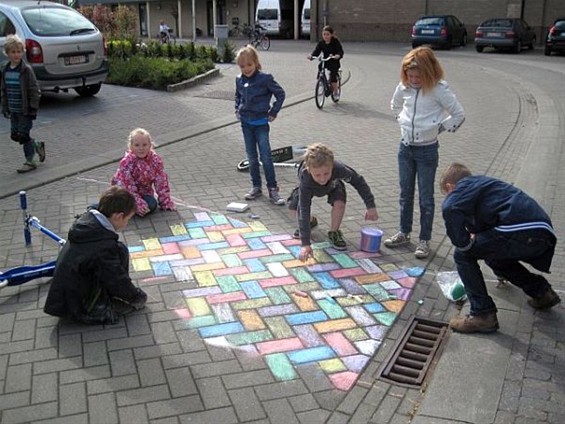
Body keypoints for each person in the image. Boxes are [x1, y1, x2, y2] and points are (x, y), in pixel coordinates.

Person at [440, 163, 561, 334]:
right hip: (542, 233)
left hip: (518, 230)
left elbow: (450, 207)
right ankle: (542, 293)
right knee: (492, 256)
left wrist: (464, 244)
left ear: (449, 186)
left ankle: (482, 315)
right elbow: (488, 231)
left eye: (447, 193)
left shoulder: (462, 187)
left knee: (462, 255)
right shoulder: (484, 185)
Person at [385, 46, 465, 259]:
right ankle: (404, 232)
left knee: (426, 198)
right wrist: (402, 123)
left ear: (429, 72)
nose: (413, 79)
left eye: (418, 76)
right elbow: (394, 106)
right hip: (405, 148)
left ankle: (424, 240)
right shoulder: (404, 87)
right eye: (410, 75)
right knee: (405, 194)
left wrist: (438, 128)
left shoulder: (439, 90)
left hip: (427, 151)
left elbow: (458, 115)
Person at [44, 186, 148, 325]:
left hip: (66, 293)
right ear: (118, 216)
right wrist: (136, 296)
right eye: (127, 219)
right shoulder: (102, 246)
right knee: (115, 255)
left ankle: (107, 296)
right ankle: (98, 305)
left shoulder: (90, 223)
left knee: (119, 248)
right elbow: (115, 277)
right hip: (76, 305)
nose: (127, 223)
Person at [288, 143, 378, 261]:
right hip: (309, 188)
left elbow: (358, 181)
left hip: (333, 185)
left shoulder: (339, 169)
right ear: (309, 170)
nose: (322, 178)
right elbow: (304, 208)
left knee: (339, 204)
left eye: (326, 173)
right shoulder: (305, 177)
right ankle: (310, 223)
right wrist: (305, 243)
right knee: (293, 209)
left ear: (332, 167)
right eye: (317, 175)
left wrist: (370, 206)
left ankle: (334, 232)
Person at [235, 45, 286, 205]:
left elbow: (280, 94)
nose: (246, 69)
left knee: (266, 156)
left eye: (249, 65)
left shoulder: (265, 78)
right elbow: (238, 96)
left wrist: (273, 112)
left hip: (261, 123)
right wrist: (237, 109)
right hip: (246, 124)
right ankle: (256, 186)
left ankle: (272, 188)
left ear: (256, 63)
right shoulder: (239, 79)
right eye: (242, 66)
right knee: (251, 156)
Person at [1, 34, 45, 174]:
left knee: (24, 135)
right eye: (13, 52)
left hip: (25, 110)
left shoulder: (26, 70)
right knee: (15, 135)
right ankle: (37, 145)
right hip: (13, 110)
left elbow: (34, 90)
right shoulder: (5, 70)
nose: (16, 55)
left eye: (19, 51)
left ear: (22, 52)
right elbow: (4, 90)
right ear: (7, 53)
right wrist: (5, 107)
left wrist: (33, 108)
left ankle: (30, 161)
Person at [111, 128, 176, 216]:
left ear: (150, 145)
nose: (141, 148)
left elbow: (161, 182)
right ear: (131, 146)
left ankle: (128, 210)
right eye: (137, 145)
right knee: (119, 204)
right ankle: (106, 207)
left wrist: (165, 201)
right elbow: (128, 186)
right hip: (124, 193)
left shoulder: (155, 160)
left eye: (144, 145)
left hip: (144, 192)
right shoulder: (127, 162)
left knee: (152, 204)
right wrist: (137, 202)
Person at [307, 25, 344, 98]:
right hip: (326, 60)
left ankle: (336, 91)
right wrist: (311, 56)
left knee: (333, 76)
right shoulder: (321, 43)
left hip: (334, 61)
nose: (326, 36)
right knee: (320, 66)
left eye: (327, 34)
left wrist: (338, 55)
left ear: (331, 35)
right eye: (324, 34)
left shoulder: (335, 41)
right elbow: (317, 51)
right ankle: (320, 80)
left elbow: (340, 51)